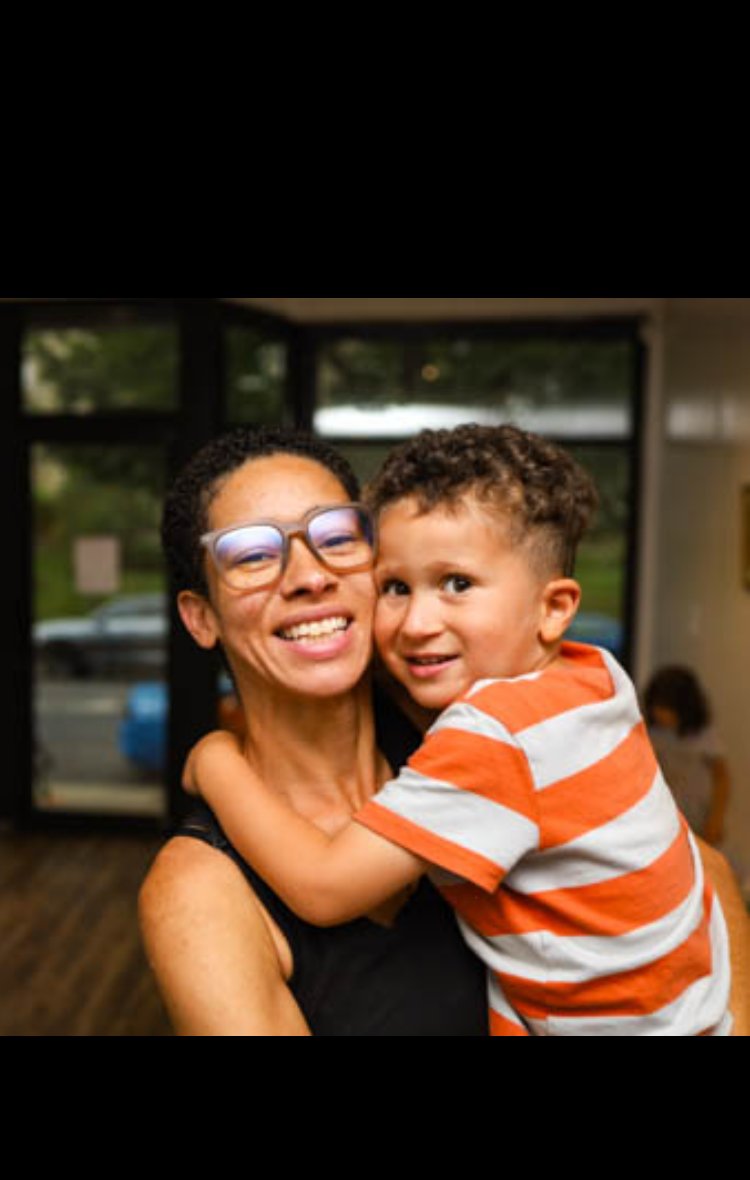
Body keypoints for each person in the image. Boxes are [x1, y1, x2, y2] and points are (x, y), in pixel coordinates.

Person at [185, 425, 738, 1037]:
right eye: (397, 586)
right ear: (201, 616)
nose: (420, 621)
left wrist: (213, 757)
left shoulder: (488, 736)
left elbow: (322, 887)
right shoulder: (592, 678)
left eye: (335, 539)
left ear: (554, 608)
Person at [138, 428, 488, 1037]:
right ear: (201, 618)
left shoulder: (461, 724)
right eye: (251, 554)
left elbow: (691, 871)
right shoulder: (200, 892)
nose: (309, 576)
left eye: (336, 537)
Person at [644, 667, 730, 849]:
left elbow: (721, 778)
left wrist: (716, 818)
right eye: (657, 707)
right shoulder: (653, 733)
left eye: (666, 707)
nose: (660, 713)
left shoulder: (704, 735)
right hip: (668, 813)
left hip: (700, 816)